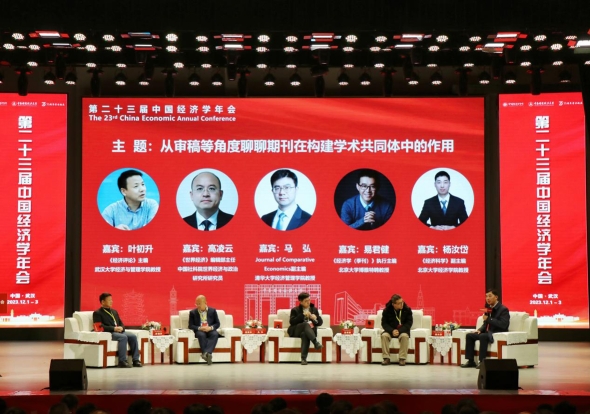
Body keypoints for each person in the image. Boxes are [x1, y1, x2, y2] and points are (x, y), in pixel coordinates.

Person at [461, 289, 510, 368]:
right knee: (469, 335)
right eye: (486, 296)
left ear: (496, 297)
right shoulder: (488, 309)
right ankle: (470, 361)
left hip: (496, 332)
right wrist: (480, 330)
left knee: (483, 336)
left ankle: (482, 361)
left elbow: (504, 325)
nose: (487, 298)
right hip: (488, 332)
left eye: (490, 296)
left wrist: (489, 319)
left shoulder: (503, 309)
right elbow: (485, 324)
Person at [92, 292, 142, 368]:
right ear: (103, 302)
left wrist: (122, 327)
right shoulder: (97, 313)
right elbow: (99, 327)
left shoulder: (114, 311)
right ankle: (122, 361)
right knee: (123, 337)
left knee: (133, 336)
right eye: (109, 300)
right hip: (109, 333)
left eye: (111, 300)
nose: (111, 301)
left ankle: (136, 360)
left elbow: (120, 322)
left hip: (119, 331)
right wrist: (114, 328)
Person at [287, 292, 323, 365]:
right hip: (296, 330)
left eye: (309, 300)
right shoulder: (295, 310)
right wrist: (302, 316)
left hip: (309, 331)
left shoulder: (314, 309)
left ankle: (303, 359)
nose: (308, 302)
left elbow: (320, 323)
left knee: (305, 334)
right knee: (305, 324)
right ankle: (315, 342)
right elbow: (292, 322)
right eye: (306, 301)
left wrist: (315, 318)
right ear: (300, 302)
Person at [381, 294, 413, 366]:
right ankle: (386, 358)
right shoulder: (386, 310)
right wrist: (392, 330)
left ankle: (402, 358)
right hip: (390, 331)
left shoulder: (407, 310)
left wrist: (399, 331)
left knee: (404, 336)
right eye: (399, 303)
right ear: (393, 304)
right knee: (384, 336)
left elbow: (409, 323)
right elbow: (384, 324)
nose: (401, 304)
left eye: (402, 302)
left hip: (402, 331)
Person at [188, 295, 221, 365]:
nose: (198, 306)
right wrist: (200, 328)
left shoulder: (213, 311)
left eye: (199, 304)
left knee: (215, 334)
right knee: (201, 335)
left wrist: (210, 328)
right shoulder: (193, 313)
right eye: (196, 304)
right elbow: (190, 325)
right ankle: (208, 354)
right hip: (200, 330)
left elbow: (217, 323)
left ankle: (205, 353)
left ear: (205, 303)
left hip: (210, 330)